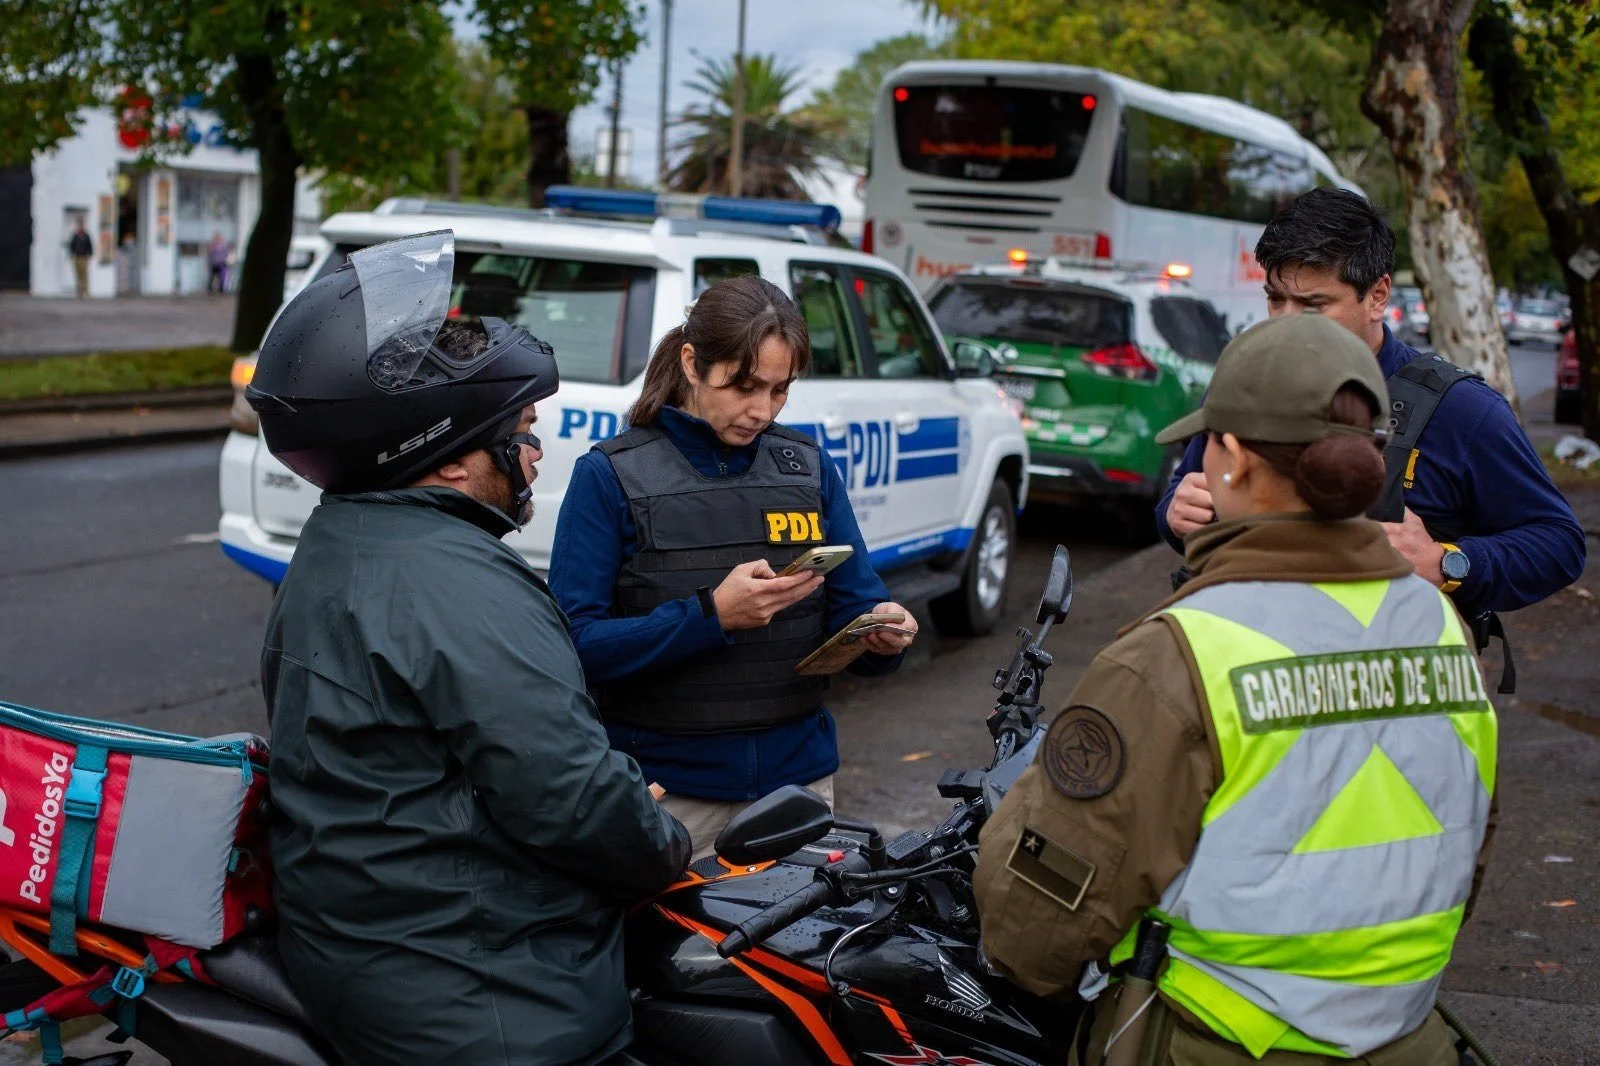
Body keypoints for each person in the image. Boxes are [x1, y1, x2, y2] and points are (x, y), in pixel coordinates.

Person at [975, 313, 1497, 1065]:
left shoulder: (1178, 654)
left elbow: (1036, 927)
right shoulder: (1443, 628)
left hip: (1211, 1042)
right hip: (1411, 1040)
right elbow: (1464, 848)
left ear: (1235, 460)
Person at [247, 231, 691, 1066]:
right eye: (521, 432)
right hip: (489, 1002)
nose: (536, 454)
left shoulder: (341, 537)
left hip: (365, 951)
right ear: (452, 461)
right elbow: (569, 796)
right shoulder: (465, 587)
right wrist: (661, 838)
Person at [549, 275, 918, 859]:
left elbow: (855, 606)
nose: (761, 410)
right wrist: (711, 616)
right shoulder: (610, 476)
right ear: (692, 364)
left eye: (780, 390)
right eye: (744, 386)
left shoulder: (809, 471)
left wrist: (883, 634)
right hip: (665, 797)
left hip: (796, 789)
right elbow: (571, 647)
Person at [1156, 189, 1583, 688]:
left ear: (1377, 296)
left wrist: (1447, 563)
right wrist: (1176, 513)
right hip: (1250, 683)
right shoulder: (1245, 379)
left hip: (1395, 689)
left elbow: (1559, 543)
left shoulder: (1463, 412)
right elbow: (1181, 498)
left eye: (1312, 304)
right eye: (1275, 299)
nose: (1286, 324)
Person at [67, 220, 93, 298]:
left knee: (84, 275)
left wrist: (89, 255)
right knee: (78, 275)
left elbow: (90, 246)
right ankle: (79, 292)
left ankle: (85, 292)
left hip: (84, 257)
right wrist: (72, 254)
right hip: (77, 257)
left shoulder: (86, 236)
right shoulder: (75, 235)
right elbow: (71, 245)